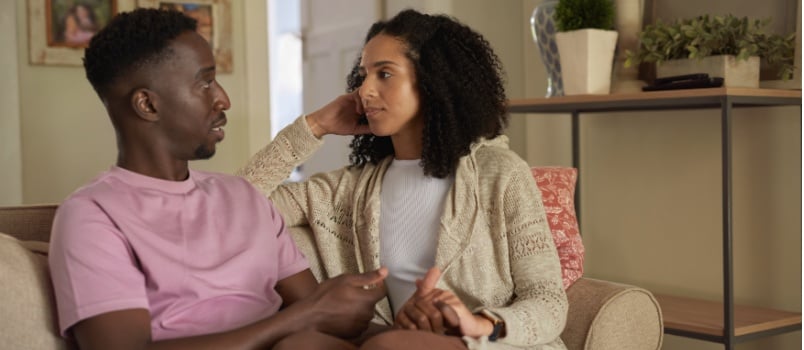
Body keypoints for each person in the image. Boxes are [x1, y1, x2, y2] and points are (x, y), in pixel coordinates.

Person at [48, 8, 388, 350]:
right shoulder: (92, 215)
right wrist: (300, 318)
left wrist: (413, 322)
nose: (223, 99)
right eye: (205, 82)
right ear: (147, 105)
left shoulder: (243, 195)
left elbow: (328, 321)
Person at [239, 9, 569, 350]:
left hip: (489, 344)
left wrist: (481, 323)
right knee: (300, 347)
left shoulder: (501, 174)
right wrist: (314, 126)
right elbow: (236, 208)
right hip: (392, 339)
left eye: (384, 74)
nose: (364, 90)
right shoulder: (348, 190)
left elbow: (548, 299)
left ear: (432, 83)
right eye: (363, 75)